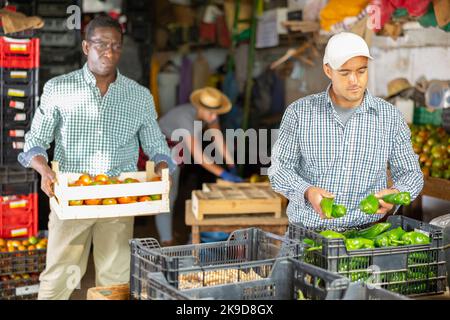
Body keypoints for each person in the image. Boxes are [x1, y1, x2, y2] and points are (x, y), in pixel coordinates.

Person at [17, 15, 176, 299]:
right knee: (59, 275)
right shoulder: (59, 88)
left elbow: (157, 145)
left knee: (114, 281)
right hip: (70, 196)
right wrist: (43, 170)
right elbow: (35, 141)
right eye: (101, 44)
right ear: (85, 46)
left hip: (118, 200)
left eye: (116, 45)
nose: (109, 51)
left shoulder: (138, 96)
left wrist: (163, 166)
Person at [269, 32, 423, 231]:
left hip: (367, 237)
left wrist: (395, 194)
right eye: (344, 72)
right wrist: (307, 191)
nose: (354, 80)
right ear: (328, 70)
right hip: (307, 235)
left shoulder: (389, 117)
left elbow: (411, 174)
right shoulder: (299, 113)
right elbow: (279, 170)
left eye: (361, 71)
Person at [149, 86, 242, 245]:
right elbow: (199, 157)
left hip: (177, 151)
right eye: (211, 113)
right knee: (167, 194)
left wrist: (232, 164)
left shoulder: (210, 115)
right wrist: (224, 174)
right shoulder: (184, 117)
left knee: (174, 192)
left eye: (216, 114)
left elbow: (217, 138)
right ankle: (166, 241)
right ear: (200, 107)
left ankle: (168, 234)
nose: (213, 117)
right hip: (160, 152)